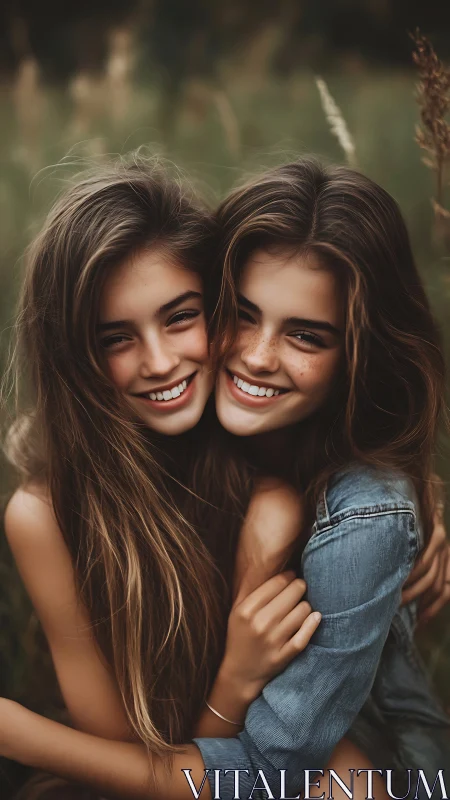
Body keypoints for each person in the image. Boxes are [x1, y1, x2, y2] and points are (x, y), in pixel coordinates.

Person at [0, 157, 449, 799]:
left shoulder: (279, 484)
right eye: (115, 338)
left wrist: (411, 508)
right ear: (75, 355)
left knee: (346, 783)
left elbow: (271, 768)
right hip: (181, 769)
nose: (159, 362)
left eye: (180, 317)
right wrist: (234, 682)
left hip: (314, 761)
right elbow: (129, 762)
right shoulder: (46, 513)